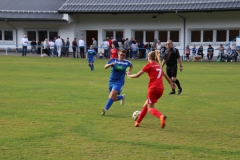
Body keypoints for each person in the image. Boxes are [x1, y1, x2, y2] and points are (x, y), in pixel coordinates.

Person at [128, 50, 175, 128]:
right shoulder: (158, 66)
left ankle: (161, 116)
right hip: (161, 89)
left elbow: (137, 75)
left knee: (151, 108)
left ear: (149, 57)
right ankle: (137, 122)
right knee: (146, 105)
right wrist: (171, 83)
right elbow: (165, 75)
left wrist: (129, 75)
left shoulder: (149, 65)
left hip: (153, 89)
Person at [101, 50, 133, 116]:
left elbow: (131, 65)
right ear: (118, 54)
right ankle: (122, 97)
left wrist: (128, 71)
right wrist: (110, 64)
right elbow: (105, 67)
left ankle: (105, 109)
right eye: (120, 54)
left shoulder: (126, 62)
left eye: (123, 55)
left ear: (125, 56)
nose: (121, 56)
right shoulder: (113, 60)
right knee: (113, 98)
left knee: (112, 95)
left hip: (119, 82)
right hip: (111, 81)